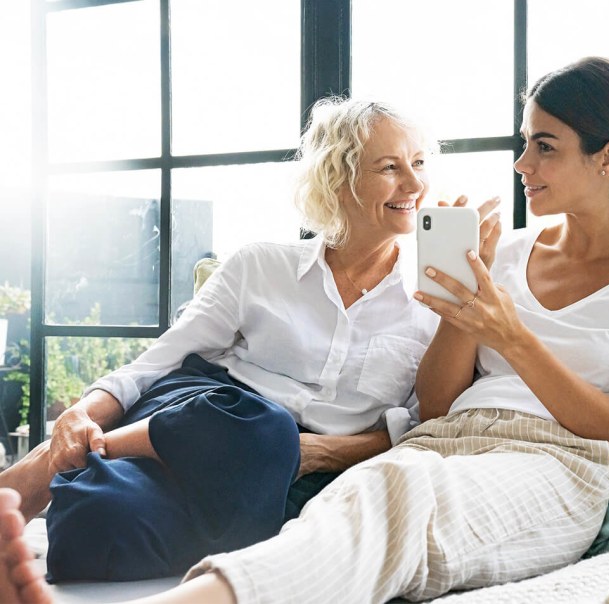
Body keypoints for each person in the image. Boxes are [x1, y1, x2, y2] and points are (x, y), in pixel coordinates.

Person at [0, 56, 609, 603]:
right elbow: (439, 406)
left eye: (545, 147)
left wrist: (507, 333)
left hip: (532, 458)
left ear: (608, 156)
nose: (522, 164)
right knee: (317, 484)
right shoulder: (499, 253)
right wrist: (466, 307)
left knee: (371, 500)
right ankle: (77, 474)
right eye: (525, 143)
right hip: (419, 438)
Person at [0, 97, 500, 584]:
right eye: (390, 167)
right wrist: (80, 414)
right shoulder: (260, 264)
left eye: (419, 163)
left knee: (97, 528)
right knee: (259, 422)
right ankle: (78, 453)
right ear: (339, 177)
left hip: (292, 471)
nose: (414, 183)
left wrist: (318, 452)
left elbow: (420, 425)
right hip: (207, 410)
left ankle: (96, 461)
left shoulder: (438, 299)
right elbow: (158, 363)